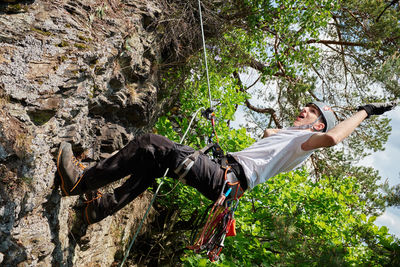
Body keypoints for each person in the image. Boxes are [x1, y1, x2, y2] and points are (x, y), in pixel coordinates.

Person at [56, 101, 397, 224]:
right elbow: (267, 131)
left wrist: (364, 112)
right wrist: (292, 124)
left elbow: (334, 138)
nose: (303, 110)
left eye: (311, 111)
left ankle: (78, 183)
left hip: (227, 180)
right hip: (226, 176)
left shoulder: (304, 142)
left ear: (319, 125)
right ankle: (96, 211)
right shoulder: (290, 137)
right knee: (153, 164)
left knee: (150, 143)